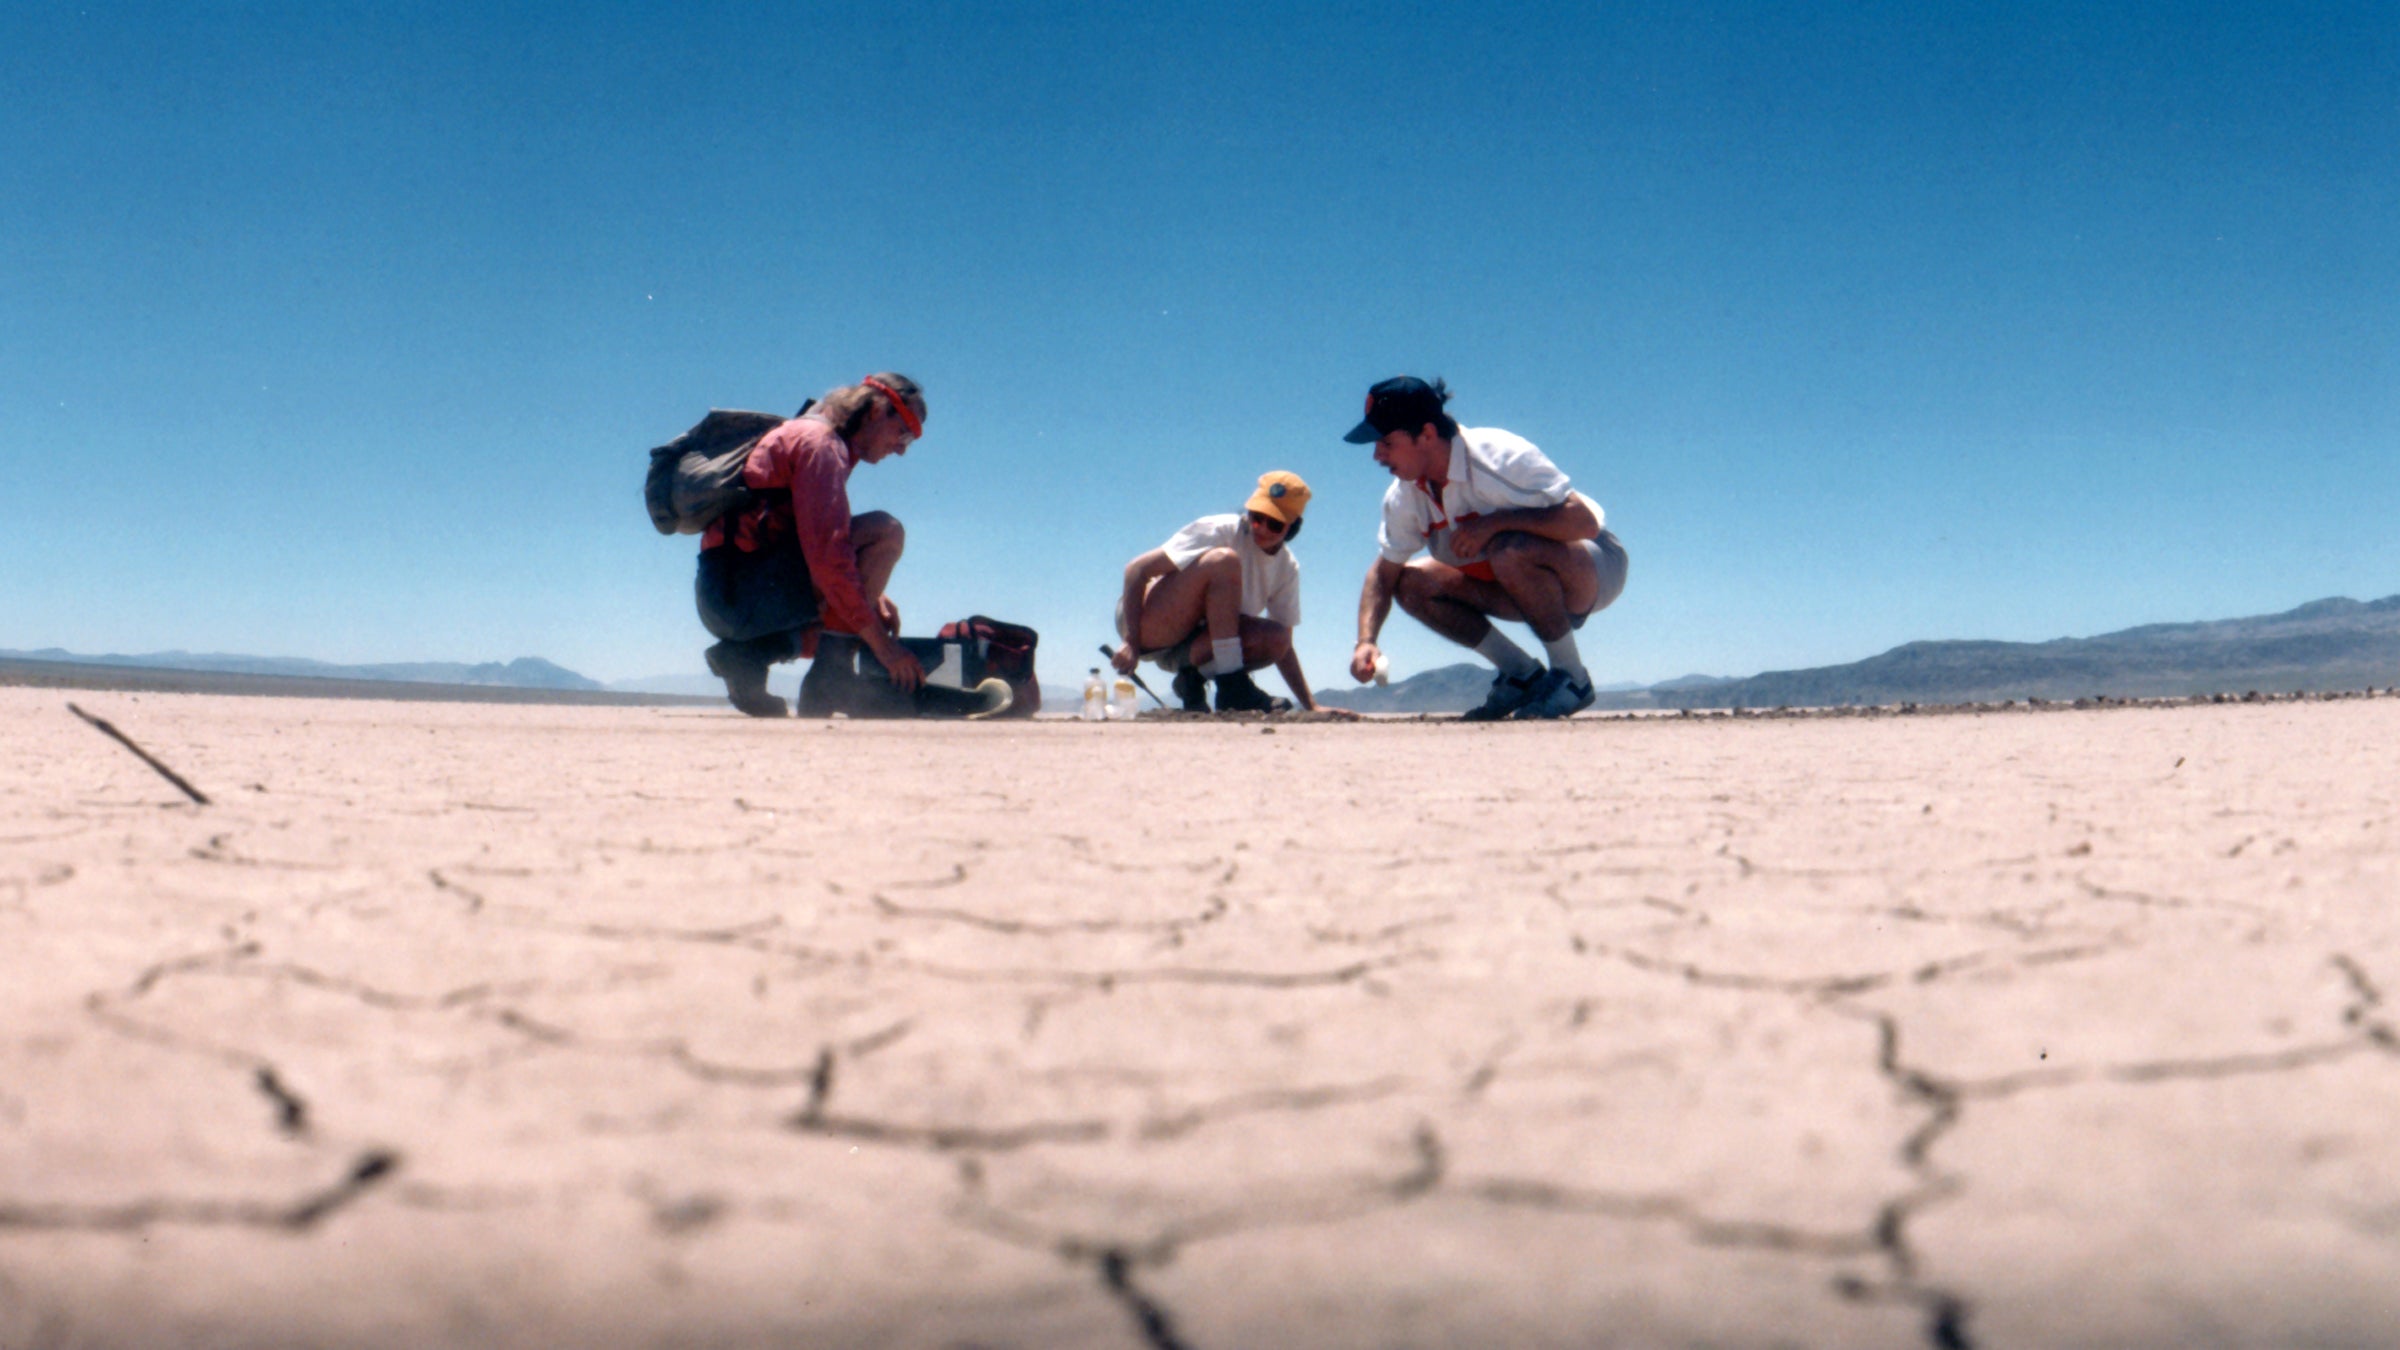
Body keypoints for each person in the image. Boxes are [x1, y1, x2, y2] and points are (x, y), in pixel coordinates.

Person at [1345, 377, 1629, 720]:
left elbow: (1582, 522)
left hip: (1593, 564)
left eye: (1387, 442)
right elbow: (1382, 573)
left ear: (1428, 434)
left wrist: (1495, 523)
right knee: (1410, 582)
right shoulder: (1404, 496)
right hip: (1514, 582)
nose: (1377, 454)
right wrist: (1365, 641)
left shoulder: (1497, 455)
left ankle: (1572, 677)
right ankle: (1521, 674)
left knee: (1508, 548)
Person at [693, 373, 928, 717]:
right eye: (905, 431)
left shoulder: (812, 436)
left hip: (725, 591)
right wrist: (886, 650)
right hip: (741, 592)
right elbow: (829, 560)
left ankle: (747, 659)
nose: (902, 448)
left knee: (853, 612)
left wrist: (868, 598)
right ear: (878, 411)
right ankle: (830, 682)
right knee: (885, 531)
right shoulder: (821, 445)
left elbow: (812, 547)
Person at [1111, 471, 1344, 715]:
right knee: (1224, 561)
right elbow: (1136, 570)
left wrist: (1311, 705)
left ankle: (1193, 678)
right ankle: (1234, 686)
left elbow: (1284, 648)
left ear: (1292, 528)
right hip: (1146, 619)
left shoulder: (1286, 568)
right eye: (1257, 517)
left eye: (1274, 524)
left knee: (1277, 639)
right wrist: (1131, 641)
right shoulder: (1222, 530)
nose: (1262, 529)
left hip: (1194, 644)